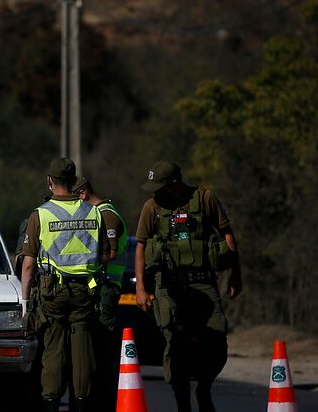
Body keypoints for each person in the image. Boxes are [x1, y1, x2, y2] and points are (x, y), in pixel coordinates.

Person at [134, 161, 243, 412]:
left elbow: (227, 233)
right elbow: (140, 247)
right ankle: (182, 399)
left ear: (174, 183)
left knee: (216, 338)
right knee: (176, 342)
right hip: (168, 287)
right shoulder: (152, 207)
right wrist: (141, 288)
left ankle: (203, 387)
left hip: (204, 281)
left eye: (161, 186)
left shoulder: (205, 199)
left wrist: (236, 275)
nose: (156, 192)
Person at [21, 158, 116, 412]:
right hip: (86, 292)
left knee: (52, 349)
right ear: (74, 182)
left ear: (49, 181)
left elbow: (28, 265)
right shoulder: (94, 212)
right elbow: (106, 255)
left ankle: (50, 401)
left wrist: (25, 302)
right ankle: (82, 402)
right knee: (82, 348)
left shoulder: (40, 214)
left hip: (53, 293)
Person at [73, 176, 126, 412]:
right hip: (99, 286)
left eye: (75, 198)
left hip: (107, 287)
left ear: (83, 194)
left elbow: (111, 254)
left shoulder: (106, 214)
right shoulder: (96, 213)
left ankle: (104, 400)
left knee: (104, 345)